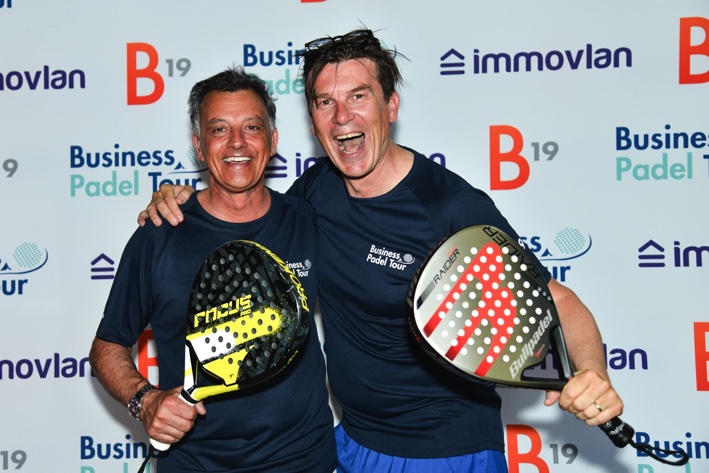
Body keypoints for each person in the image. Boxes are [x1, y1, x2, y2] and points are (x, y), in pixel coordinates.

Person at [138, 30, 624, 472]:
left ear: (390, 106)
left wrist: (591, 372)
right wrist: (183, 200)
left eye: (358, 96)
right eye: (325, 102)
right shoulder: (317, 190)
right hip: (353, 444)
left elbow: (558, 301)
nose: (342, 116)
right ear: (313, 121)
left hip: (445, 452)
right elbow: (247, 213)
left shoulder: (449, 206)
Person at [89, 66, 337, 472]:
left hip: (302, 460)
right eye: (219, 129)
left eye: (252, 127)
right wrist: (145, 400)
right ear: (199, 148)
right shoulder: (160, 233)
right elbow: (107, 347)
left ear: (273, 141)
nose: (237, 142)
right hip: (194, 464)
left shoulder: (309, 222)